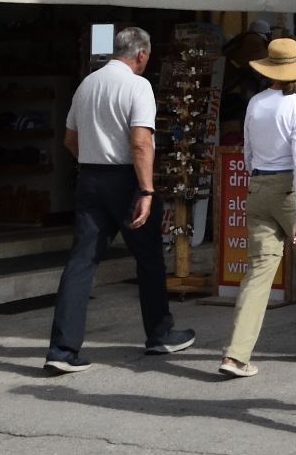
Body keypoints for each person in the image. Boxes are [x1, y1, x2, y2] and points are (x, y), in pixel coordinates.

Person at [45, 27, 193, 374]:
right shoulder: (137, 85)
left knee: (81, 263)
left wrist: (93, 161)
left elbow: (69, 139)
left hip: (91, 176)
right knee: (149, 257)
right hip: (126, 179)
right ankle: (160, 332)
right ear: (141, 54)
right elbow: (140, 142)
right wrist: (145, 190)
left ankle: (62, 349)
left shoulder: (88, 84)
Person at [220, 37, 296, 377]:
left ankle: (236, 354)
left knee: (259, 271)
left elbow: (246, 152)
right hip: (291, 188)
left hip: (259, 185)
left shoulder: (256, 103)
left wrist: (256, 178)